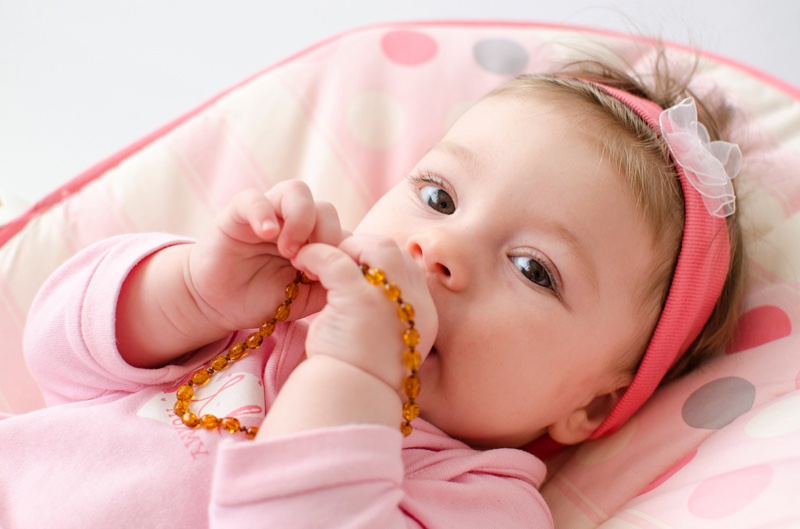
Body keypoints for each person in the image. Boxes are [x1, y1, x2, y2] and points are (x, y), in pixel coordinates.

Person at [2, 57, 745, 528]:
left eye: (533, 269)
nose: (441, 247)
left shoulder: (483, 500)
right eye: (439, 196)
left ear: (591, 406)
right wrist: (195, 291)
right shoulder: (263, 316)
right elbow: (58, 360)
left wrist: (355, 376)